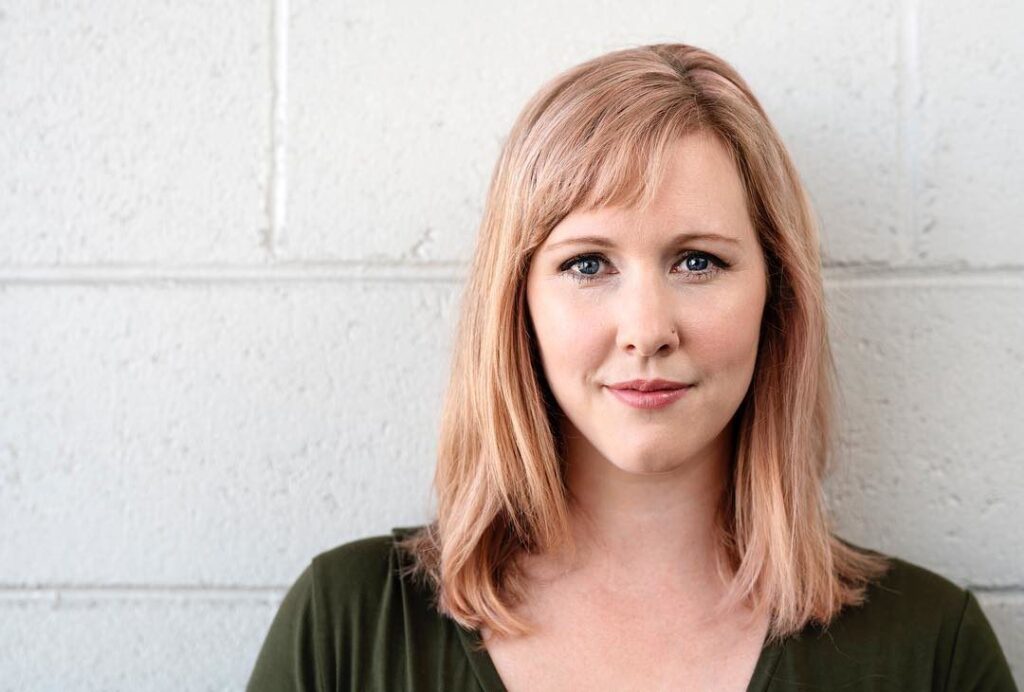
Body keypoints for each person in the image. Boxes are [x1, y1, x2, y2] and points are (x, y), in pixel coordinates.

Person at [246, 43, 1018, 691]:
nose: (647, 330)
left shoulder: (931, 650)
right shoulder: (345, 629)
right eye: (587, 264)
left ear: (776, 297)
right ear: (517, 303)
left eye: (697, 261)